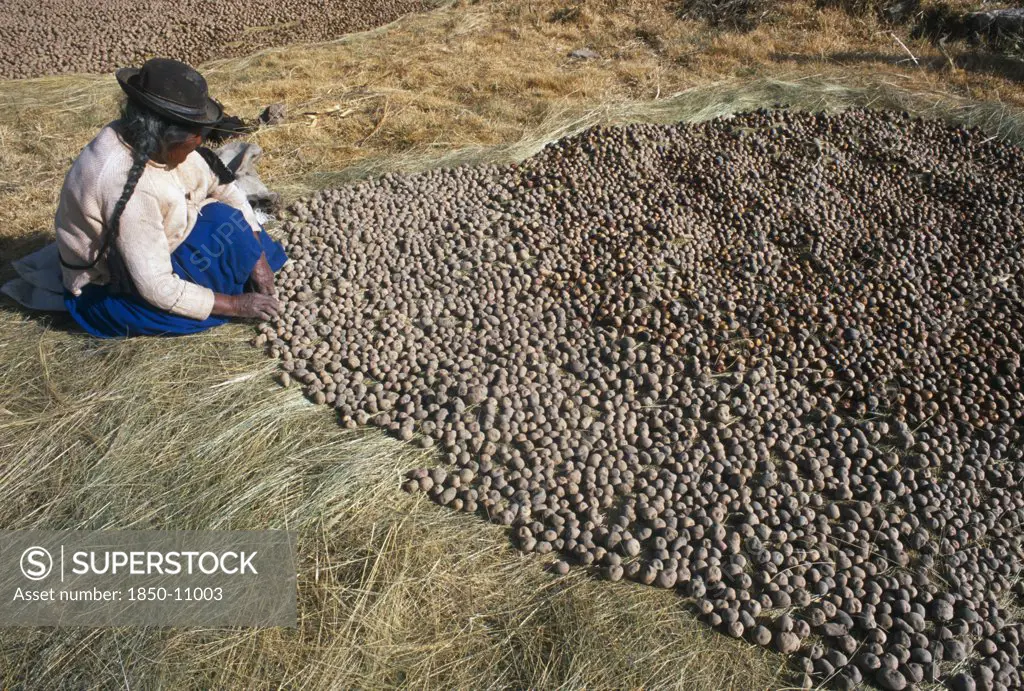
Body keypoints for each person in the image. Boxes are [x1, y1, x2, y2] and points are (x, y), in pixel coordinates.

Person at [55, 57, 286, 338]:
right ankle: (228, 294)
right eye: (195, 138)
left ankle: (241, 275)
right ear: (169, 134)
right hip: (114, 285)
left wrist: (258, 261)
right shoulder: (126, 186)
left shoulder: (154, 141)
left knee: (233, 224)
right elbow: (157, 287)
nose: (200, 143)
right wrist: (238, 305)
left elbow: (225, 189)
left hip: (159, 240)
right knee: (197, 301)